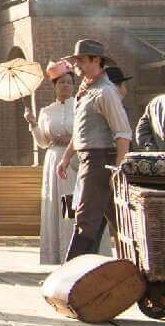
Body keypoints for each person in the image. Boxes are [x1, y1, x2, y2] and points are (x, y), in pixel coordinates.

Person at [47, 38, 133, 260]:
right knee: (111, 220)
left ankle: (72, 273)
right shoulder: (87, 91)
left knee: (86, 221)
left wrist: (117, 171)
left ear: (96, 61)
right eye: (75, 61)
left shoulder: (106, 92)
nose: (77, 65)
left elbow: (123, 134)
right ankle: (107, 271)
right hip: (90, 160)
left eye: (81, 60)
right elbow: (81, 131)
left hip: (100, 161)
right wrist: (66, 157)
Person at [27, 72, 79, 264]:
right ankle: (58, 253)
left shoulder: (80, 107)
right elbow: (42, 142)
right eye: (62, 82)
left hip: (75, 161)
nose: (66, 86)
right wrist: (33, 124)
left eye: (69, 82)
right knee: (57, 205)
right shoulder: (47, 111)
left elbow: (86, 133)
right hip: (54, 160)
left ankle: (75, 250)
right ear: (55, 86)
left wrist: (71, 140)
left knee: (71, 203)